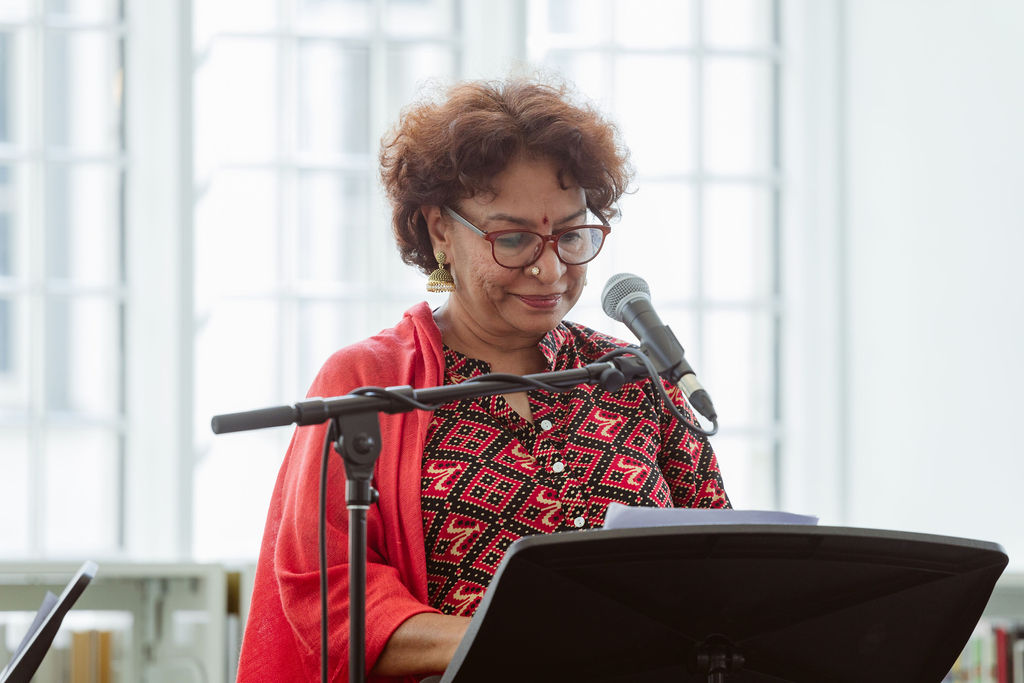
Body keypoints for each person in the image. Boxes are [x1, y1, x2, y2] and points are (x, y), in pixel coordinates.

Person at [236, 75, 730, 683]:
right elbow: (331, 597)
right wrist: (531, 638)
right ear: (439, 229)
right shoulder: (369, 381)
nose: (550, 269)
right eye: (514, 239)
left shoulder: (635, 376)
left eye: (571, 235)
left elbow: (723, 570)